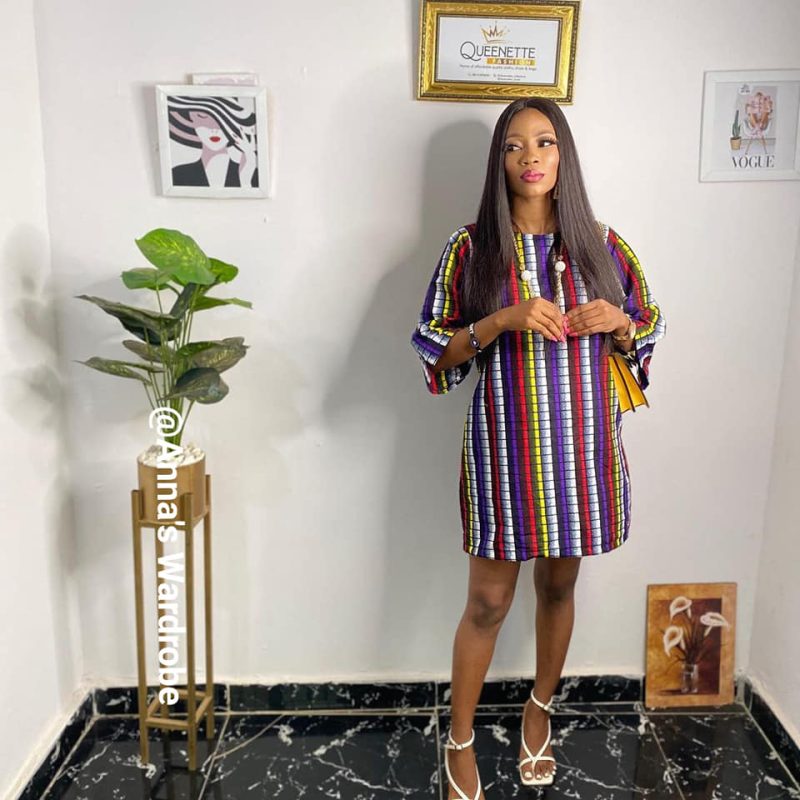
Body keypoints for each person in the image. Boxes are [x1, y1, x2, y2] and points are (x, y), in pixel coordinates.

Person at [410, 97, 666, 799]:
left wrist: (619, 322)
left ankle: (539, 710)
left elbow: (647, 325)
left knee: (558, 586)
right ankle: (460, 740)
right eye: (515, 145)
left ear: (563, 155)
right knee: (487, 603)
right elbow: (434, 345)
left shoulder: (603, 245)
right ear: (499, 161)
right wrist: (501, 318)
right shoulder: (471, 249)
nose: (531, 157)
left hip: (582, 451)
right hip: (506, 451)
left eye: (545, 142)